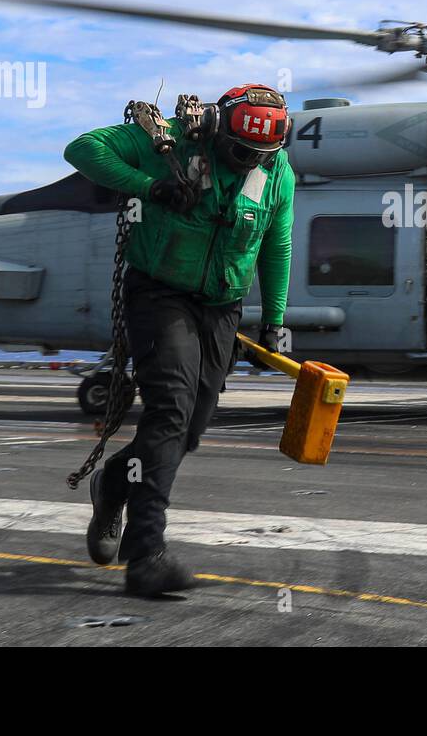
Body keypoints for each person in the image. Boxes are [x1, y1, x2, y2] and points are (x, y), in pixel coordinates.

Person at [64, 83, 293, 597]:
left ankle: (114, 483)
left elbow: (276, 241)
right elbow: (82, 149)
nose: (249, 161)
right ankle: (147, 555)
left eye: (260, 154)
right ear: (217, 129)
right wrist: (149, 186)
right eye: (240, 151)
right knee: (170, 411)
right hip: (160, 293)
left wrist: (274, 317)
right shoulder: (171, 140)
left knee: (189, 429)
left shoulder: (277, 172)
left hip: (222, 308)